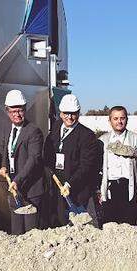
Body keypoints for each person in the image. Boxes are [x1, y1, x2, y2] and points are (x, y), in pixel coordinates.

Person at [43, 94, 99, 227]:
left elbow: (86, 166)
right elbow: (47, 153)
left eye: (73, 113)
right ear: (61, 113)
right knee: (57, 223)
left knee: (75, 227)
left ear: (78, 113)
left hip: (76, 191)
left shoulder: (87, 136)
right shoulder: (56, 129)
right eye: (66, 113)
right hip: (57, 187)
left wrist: (70, 183)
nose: (69, 117)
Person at [0, 90, 45, 234]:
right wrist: (3, 165)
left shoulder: (33, 131)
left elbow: (33, 159)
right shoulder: (7, 130)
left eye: (20, 110)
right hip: (14, 188)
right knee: (17, 231)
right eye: (13, 111)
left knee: (31, 233)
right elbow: (4, 151)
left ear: (25, 110)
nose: (17, 114)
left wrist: (18, 180)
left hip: (30, 190)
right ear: (7, 111)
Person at [97, 106, 137, 225]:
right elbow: (97, 168)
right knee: (109, 226)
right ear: (110, 121)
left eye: (122, 118)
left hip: (129, 188)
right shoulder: (102, 141)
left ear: (127, 120)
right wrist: (98, 190)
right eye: (116, 118)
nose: (119, 121)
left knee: (129, 227)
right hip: (110, 188)